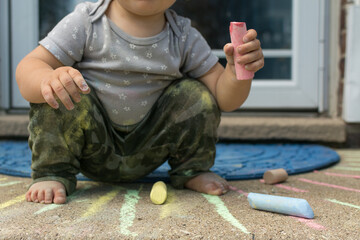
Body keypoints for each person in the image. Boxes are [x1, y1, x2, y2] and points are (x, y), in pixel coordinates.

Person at [16, 0, 264, 204]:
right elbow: (29, 67)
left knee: (195, 94)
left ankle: (193, 169)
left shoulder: (184, 36)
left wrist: (237, 71)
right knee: (57, 89)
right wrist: (47, 77)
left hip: (151, 144)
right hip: (92, 143)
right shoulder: (86, 23)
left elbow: (224, 98)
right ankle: (53, 172)